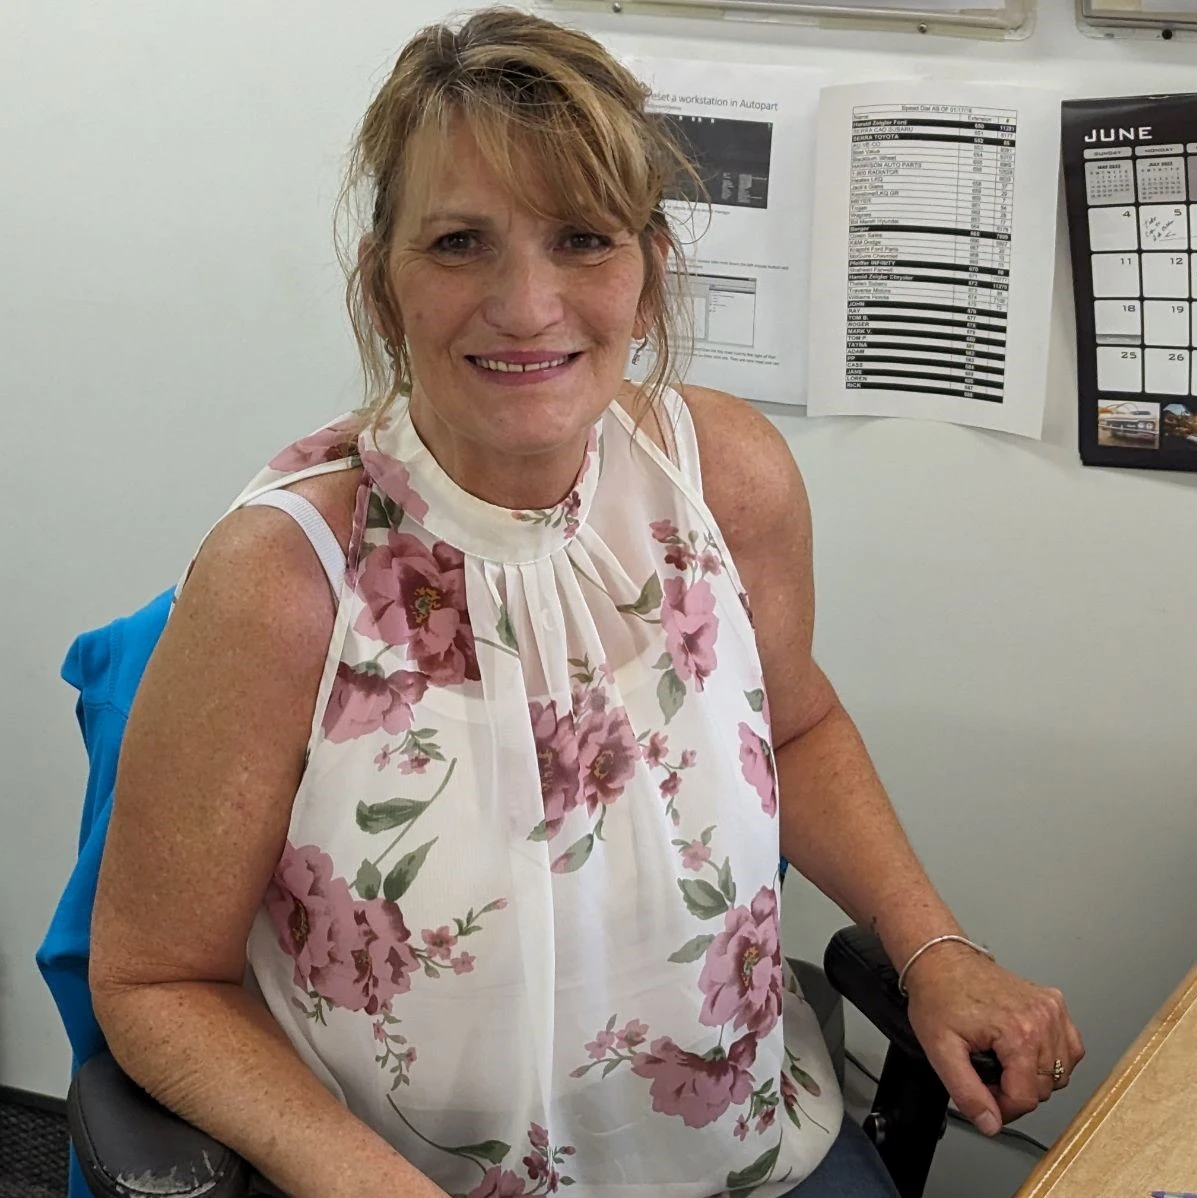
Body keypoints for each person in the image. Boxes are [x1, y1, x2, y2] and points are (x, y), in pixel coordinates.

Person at [88, 9, 1084, 1198]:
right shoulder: (281, 577)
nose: (527, 304)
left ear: (650, 268)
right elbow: (155, 982)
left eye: (583, 239)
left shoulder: (728, 477)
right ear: (382, 278)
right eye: (459, 242)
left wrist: (935, 947)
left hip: (751, 1148)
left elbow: (798, 724)